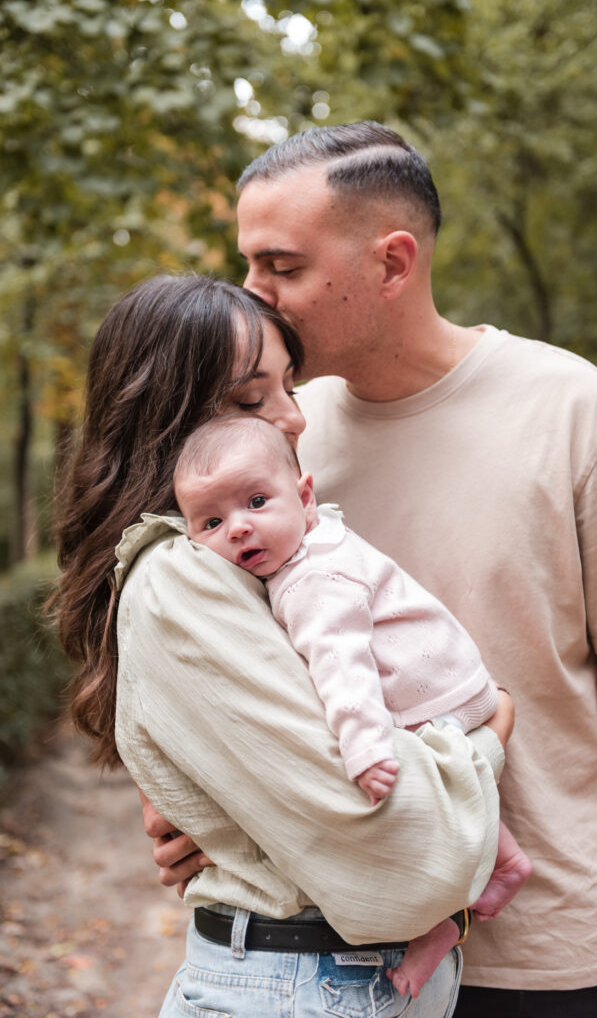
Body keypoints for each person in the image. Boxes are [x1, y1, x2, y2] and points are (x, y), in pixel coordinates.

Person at [147, 123, 597, 1018]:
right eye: (247, 266)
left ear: (393, 263)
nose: (255, 297)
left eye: (281, 266)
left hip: (558, 958)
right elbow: (223, 667)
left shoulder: (572, 410)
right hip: (343, 956)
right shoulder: (269, 440)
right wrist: (188, 810)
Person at [53, 271, 507, 1018]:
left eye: (288, 387)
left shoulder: (254, 560)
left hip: (336, 974)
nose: (291, 419)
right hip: (303, 981)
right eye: (247, 399)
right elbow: (403, 858)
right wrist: (492, 729)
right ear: (162, 420)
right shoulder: (179, 580)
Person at [172, 411, 532, 997]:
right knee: (454, 794)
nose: (238, 528)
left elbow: (345, 668)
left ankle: (442, 919)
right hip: (447, 685)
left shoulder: (312, 579)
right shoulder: (318, 544)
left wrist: (366, 749)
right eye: (212, 521)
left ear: (305, 496)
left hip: (426, 704)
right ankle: (505, 862)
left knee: (405, 815)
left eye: (257, 501)